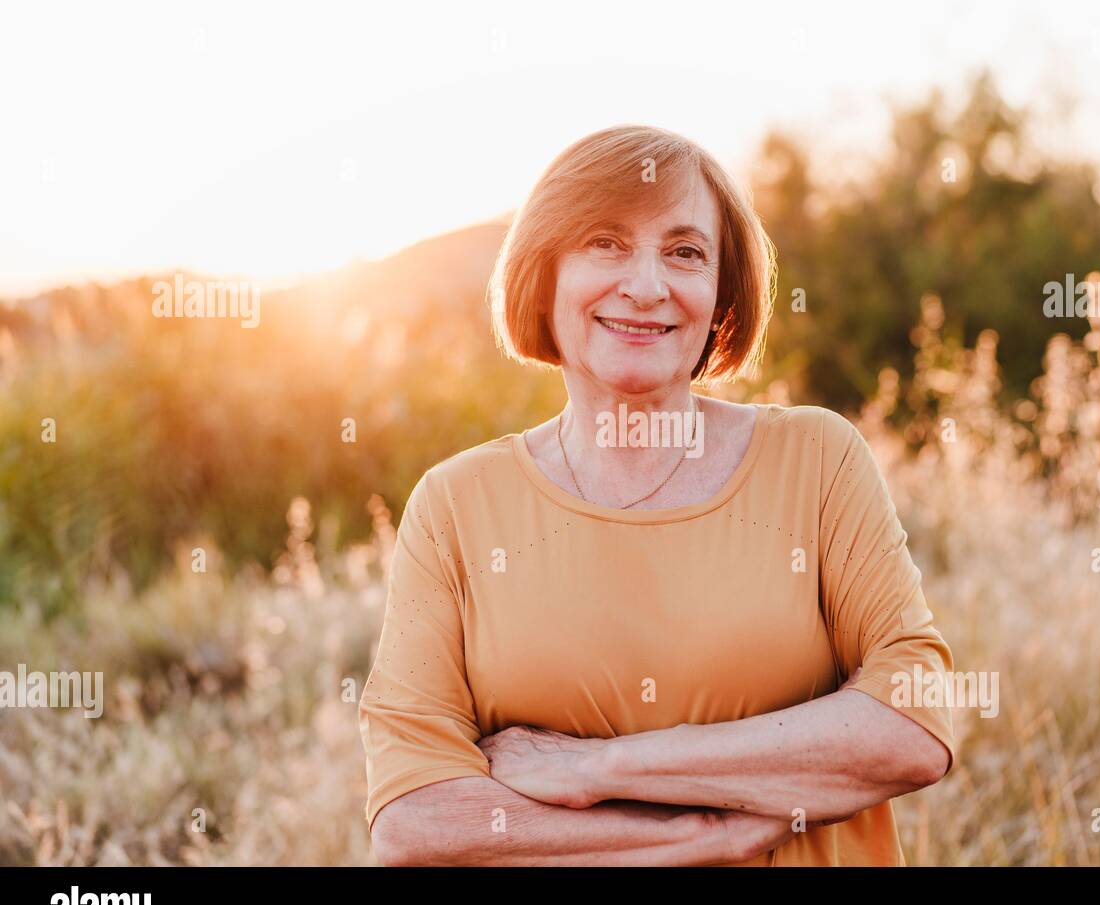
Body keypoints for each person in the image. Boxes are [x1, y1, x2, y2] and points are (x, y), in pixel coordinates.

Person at [359, 125, 955, 866]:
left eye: (684, 252)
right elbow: (414, 820)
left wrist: (594, 769)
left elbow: (916, 724)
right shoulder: (454, 505)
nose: (647, 286)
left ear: (720, 294)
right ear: (543, 277)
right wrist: (701, 833)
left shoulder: (816, 458)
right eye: (604, 243)